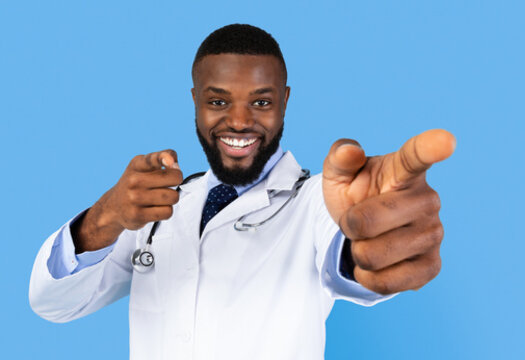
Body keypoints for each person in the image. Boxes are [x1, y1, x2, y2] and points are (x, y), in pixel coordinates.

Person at [28, 24, 454, 359]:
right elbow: (53, 303)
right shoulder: (156, 211)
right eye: (217, 102)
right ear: (195, 100)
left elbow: (351, 249)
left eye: (261, 102)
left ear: (284, 101)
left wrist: (373, 237)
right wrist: (107, 217)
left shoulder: (316, 203)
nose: (238, 120)